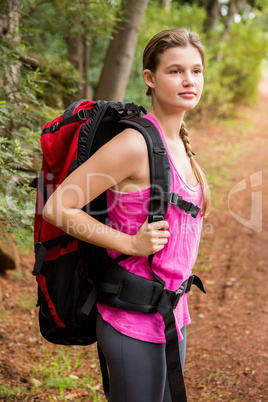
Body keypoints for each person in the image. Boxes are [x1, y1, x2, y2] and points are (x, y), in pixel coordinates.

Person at [43, 27, 210, 402]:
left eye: (196, 71)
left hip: (171, 314)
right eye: (175, 71)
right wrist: (129, 243)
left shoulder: (180, 141)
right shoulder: (135, 144)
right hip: (131, 319)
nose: (189, 81)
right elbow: (58, 207)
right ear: (149, 78)